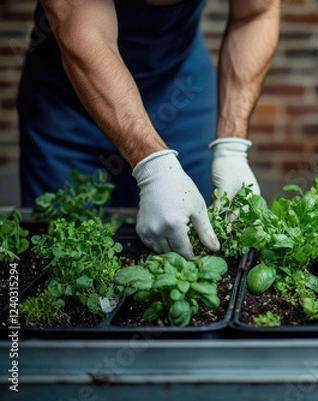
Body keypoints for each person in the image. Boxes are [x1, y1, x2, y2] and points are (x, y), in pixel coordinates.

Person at [18, 0, 279, 258]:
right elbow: (82, 28)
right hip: (70, 102)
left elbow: (255, 14)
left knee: (190, 234)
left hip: (179, 92)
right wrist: (153, 166)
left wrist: (231, 146)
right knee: (63, 247)